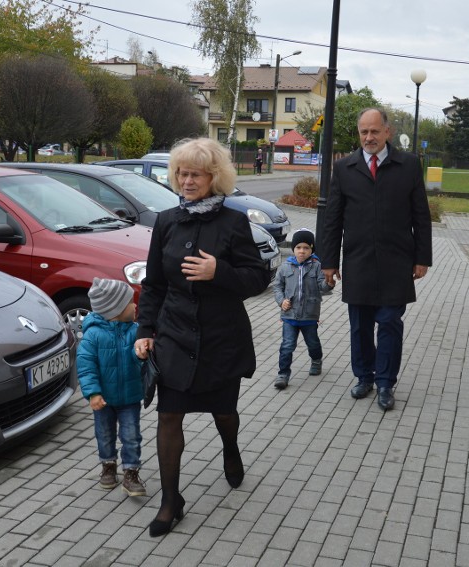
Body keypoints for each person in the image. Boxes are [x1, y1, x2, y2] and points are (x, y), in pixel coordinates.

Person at [134, 137, 270, 537]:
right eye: (181, 173)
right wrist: (145, 330)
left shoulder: (233, 222)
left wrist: (220, 272)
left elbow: (258, 278)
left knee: (223, 414)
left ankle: (230, 448)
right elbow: (154, 284)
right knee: (168, 415)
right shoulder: (166, 221)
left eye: (195, 174)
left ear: (214, 177)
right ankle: (170, 501)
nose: (186, 180)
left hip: (220, 338)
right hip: (175, 335)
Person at [321, 107, 432, 412]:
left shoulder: (408, 165)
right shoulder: (344, 168)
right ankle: (364, 377)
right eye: (363, 132)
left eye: (374, 131)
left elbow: (421, 215)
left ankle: (385, 382)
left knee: (389, 324)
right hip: (357, 262)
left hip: (397, 262)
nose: (368, 138)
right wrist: (329, 262)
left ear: (387, 132)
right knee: (359, 326)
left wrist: (422, 257)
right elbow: (332, 218)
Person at [76, 277, 147, 497]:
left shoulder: (135, 331)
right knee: (104, 435)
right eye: (130, 302)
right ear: (115, 309)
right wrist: (93, 393)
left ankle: (131, 472)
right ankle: (108, 466)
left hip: (130, 398)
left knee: (131, 435)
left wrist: (140, 356)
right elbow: (86, 368)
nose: (135, 306)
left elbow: (139, 363)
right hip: (103, 400)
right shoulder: (92, 336)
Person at [272, 228, 334, 390]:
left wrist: (329, 283)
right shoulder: (285, 267)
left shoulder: (317, 266)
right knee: (287, 345)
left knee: (312, 342)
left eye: (306, 248)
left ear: (311, 249)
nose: (302, 251)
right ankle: (283, 373)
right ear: (293, 249)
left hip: (309, 315)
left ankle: (316, 360)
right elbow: (277, 286)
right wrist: (281, 301)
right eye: (299, 247)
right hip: (289, 315)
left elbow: (322, 286)